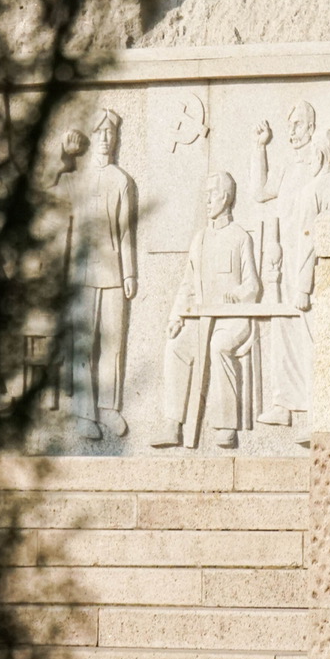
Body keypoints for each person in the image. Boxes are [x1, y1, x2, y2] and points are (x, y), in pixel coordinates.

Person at [249, 104, 330, 426]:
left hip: (311, 262)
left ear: (311, 128)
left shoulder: (323, 172)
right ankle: (284, 403)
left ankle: (318, 409)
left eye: (297, 124)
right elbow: (259, 192)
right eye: (289, 125)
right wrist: (260, 148)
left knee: (311, 333)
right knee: (284, 328)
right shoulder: (287, 167)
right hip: (287, 260)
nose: (291, 131)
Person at [154, 172, 259, 452]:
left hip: (232, 320)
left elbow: (253, 285)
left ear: (226, 197)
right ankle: (172, 423)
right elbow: (187, 284)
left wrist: (237, 294)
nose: (207, 199)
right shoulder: (200, 239)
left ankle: (226, 426)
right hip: (201, 320)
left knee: (218, 346)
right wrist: (176, 317)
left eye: (212, 193)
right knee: (176, 346)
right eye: (206, 193)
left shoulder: (240, 237)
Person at [69, 109, 138, 441]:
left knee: (113, 341)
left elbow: (126, 232)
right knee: (84, 343)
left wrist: (130, 274)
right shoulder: (78, 180)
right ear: (92, 136)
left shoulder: (121, 180)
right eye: (99, 132)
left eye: (111, 132)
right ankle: (84, 413)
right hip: (82, 273)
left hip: (112, 271)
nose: (106, 138)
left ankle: (109, 407)